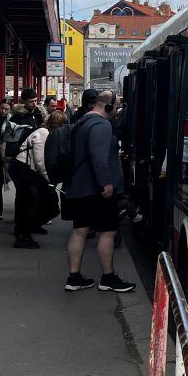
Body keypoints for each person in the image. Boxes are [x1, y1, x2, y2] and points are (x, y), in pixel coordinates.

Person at [61, 90, 135, 293]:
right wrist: (106, 183)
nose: (117, 110)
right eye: (116, 106)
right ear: (108, 106)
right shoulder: (101, 125)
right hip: (97, 190)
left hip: (77, 187)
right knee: (108, 232)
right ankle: (108, 278)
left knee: (79, 231)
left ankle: (74, 277)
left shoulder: (81, 123)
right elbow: (98, 157)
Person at [10, 110, 67, 247]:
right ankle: (22, 235)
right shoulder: (43, 133)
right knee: (31, 201)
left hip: (26, 169)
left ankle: (31, 226)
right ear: (58, 124)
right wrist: (47, 178)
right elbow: (39, 159)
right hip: (23, 168)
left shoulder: (46, 132)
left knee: (33, 201)